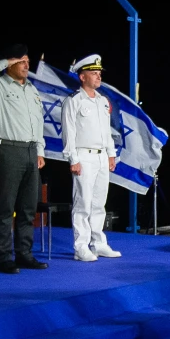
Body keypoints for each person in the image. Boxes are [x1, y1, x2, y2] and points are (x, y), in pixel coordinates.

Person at [0, 44, 48, 274]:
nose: (27, 65)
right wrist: (5, 62)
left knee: (27, 208)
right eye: (22, 61)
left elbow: (38, 122)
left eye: (28, 61)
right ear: (11, 63)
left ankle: (24, 254)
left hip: (30, 151)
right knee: (5, 208)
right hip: (8, 150)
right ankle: (4, 257)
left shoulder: (31, 90)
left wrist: (40, 151)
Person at [62, 55, 121, 261]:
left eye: (99, 73)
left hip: (101, 156)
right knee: (83, 203)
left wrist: (111, 154)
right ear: (82, 76)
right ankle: (81, 246)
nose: (98, 76)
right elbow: (68, 132)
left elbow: (107, 131)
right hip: (83, 156)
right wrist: (73, 159)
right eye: (94, 73)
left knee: (98, 203)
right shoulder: (73, 101)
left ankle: (98, 243)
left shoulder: (103, 101)